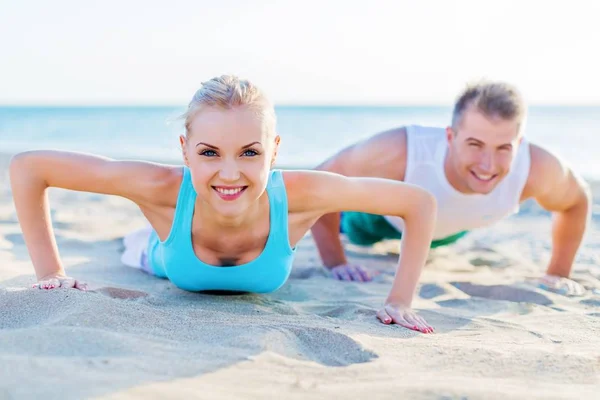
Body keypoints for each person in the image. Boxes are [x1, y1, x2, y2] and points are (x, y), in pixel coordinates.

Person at [9, 75, 437, 333]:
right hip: (155, 253)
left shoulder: (303, 194)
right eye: (210, 153)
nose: (229, 173)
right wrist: (51, 273)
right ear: (185, 150)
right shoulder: (161, 187)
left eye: (250, 153)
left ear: (274, 152)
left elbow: (418, 203)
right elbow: (29, 168)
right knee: (137, 244)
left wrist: (399, 300)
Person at [311, 81, 591, 295]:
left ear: (519, 144)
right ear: (450, 136)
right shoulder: (399, 151)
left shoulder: (538, 170)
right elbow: (319, 181)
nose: (488, 165)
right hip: (376, 222)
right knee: (355, 229)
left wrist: (558, 273)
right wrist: (336, 262)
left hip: (448, 231)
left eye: (504, 147)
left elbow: (576, 201)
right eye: (475, 144)